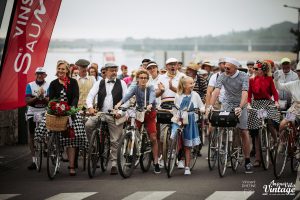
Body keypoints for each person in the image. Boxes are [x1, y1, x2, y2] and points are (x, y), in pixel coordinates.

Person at [35, 60, 88, 176]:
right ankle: (47, 144)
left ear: (67, 70)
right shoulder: (54, 83)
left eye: (63, 69)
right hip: (55, 111)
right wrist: (55, 107)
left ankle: (71, 166)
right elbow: (52, 99)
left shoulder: (73, 82)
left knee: (71, 138)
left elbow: (75, 97)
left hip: (70, 111)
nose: (60, 71)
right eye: (59, 69)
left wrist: (70, 109)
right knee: (45, 124)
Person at [207, 57, 253, 173]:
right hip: (227, 102)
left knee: (243, 131)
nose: (225, 69)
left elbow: (245, 93)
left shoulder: (244, 76)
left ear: (235, 68)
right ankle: (223, 147)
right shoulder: (222, 75)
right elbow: (216, 91)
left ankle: (247, 160)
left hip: (240, 103)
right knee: (222, 124)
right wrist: (211, 106)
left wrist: (240, 107)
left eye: (228, 68)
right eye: (225, 67)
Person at [85, 63, 128, 175]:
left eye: (115, 70)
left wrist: (120, 112)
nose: (114, 72)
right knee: (88, 125)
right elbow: (90, 96)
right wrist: (90, 108)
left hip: (114, 114)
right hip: (100, 112)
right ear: (106, 71)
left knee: (115, 139)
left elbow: (126, 99)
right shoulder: (99, 83)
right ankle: (93, 147)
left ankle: (114, 163)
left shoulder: (122, 83)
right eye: (112, 70)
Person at [115, 70, 160, 174]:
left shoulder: (150, 87)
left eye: (145, 78)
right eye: (141, 78)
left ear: (147, 79)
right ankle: (131, 155)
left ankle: (156, 162)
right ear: (138, 78)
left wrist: (149, 105)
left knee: (153, 137)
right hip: (139, 112)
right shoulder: (135, 87)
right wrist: (119, 103)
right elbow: (127, 96)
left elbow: (153, 96)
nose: (143, 80)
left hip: (149, 112)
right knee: (132, 132)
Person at [247, 61, 280, 167]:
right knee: (256, 131)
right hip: (256, 104)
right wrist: (248, 104)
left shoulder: (269, 79)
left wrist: (276, 102)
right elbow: (249, 94)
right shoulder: (251, 80)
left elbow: (274, 92)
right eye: (254, 69)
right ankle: (257, 158)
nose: (254, 70)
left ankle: (276, 140)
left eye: (256, 69)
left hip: (267, 103)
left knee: (270, 122)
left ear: (262, 70)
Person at [171, 76, 205, 175]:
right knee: (173, 136)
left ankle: (187, 166)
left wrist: (202, 109)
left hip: (190, 120)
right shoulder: (178, 95)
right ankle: (174, 153)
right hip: (179, 119)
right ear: (184, 85)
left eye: (193, 83)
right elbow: (176, 107)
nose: (193, 85)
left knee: (187, 145)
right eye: (190, 83)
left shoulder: (195, 95)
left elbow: (201, 105)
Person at [156, 57, 185, 168]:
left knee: (180, 133)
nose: (172, 66)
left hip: (179, 106)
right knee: (163, 136)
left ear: (178, 65)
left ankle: (181, 158)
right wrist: (161, 91)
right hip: (164, 106)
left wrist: (173, 88)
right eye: (170, 64)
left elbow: (185, 92)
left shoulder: (183, 77)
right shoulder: (161, 77)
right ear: (166, 66)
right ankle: (164, 158)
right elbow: (157, 94)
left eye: (174, 64)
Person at [25, 67, 49, 170]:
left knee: (48, 131)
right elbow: (27, 101)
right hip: (32, 112)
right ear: (35, 74)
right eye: (38, 73)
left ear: (45, 75)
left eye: (42, 73)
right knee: (31, 134)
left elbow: (49, 101)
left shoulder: (48, 85)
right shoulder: (30, 85)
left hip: (44, 111)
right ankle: (34, 160)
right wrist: (37, 97)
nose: (39, 75)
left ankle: (47, 146)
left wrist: (43, 96)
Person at [274, 69, 300, 137]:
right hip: (295, 109)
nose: (299, 73)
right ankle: (282, 144)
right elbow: (279, 86)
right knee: (283, 124)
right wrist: (276, 80)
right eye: (299, 71)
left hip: (295, 108)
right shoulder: (294, 84)